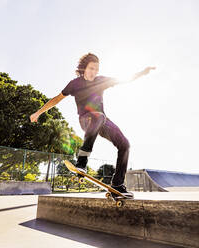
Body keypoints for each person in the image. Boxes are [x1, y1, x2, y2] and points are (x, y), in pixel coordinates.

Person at [30, 53, 155, 198]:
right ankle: (81, 163)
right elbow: (57, 99)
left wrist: (142, 72)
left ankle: (118, 185)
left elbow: (124, 79)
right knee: (97, 116)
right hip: (86, 120)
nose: (94, 73)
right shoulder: (75, 84)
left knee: (125, 145)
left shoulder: (101, 80)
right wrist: (38, 112)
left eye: (96, 69)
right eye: (91, 69)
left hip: (102, 121)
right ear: (84, 68)